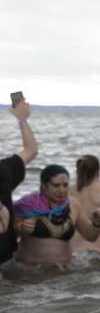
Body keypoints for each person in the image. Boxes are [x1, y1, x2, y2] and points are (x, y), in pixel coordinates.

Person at [13, 165, 100, 265]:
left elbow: (90, 236)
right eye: (56, 185)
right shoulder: (26, 205)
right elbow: (8, 234)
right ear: (44, 186)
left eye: (65, 185)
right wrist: (20, 226)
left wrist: (97, 223)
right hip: (30, 269)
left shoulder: (74, 205)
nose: (62, 190)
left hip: (64, 271)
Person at [1, 100, 39, 266]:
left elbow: (30, 151)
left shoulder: (3, 171)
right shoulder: (3, 170)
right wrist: (22, 119)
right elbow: (31, 150)